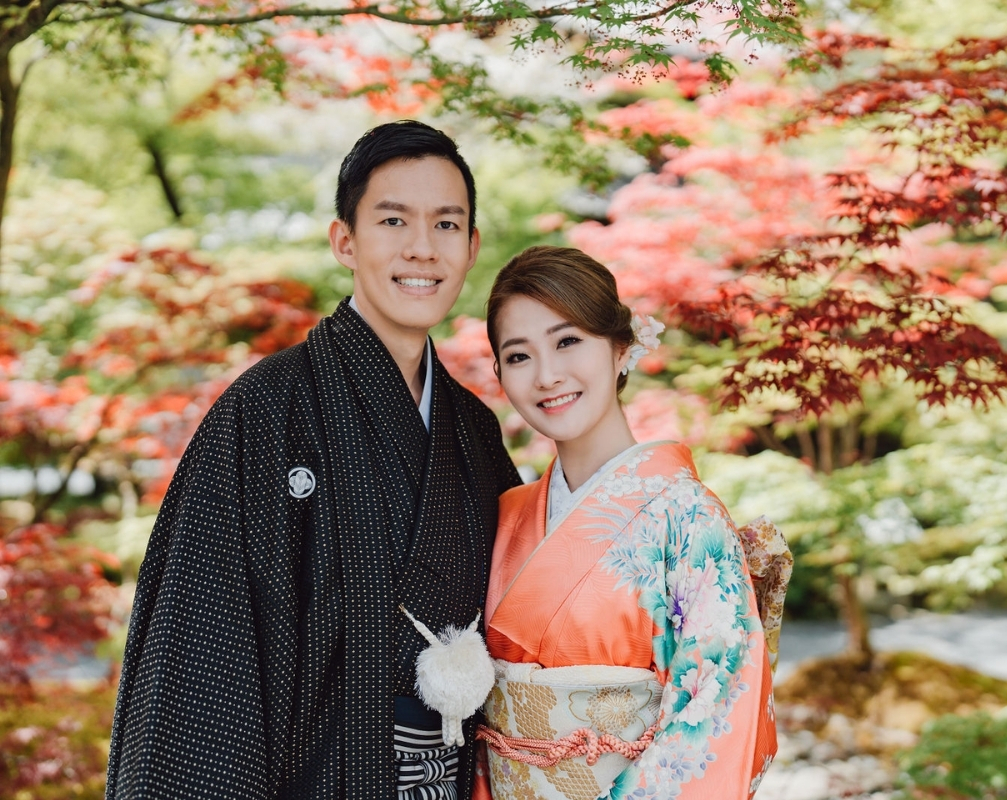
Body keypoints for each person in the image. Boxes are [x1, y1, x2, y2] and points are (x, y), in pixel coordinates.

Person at [106, 121, 522, 800]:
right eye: (394, 220)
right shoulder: (266, 411)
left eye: (447, 225)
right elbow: (203, 654)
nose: (423, 248)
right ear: (346, 242)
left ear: (472, 247)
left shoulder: (473, 431)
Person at [474, 246, 788, 800]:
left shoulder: (688, 517)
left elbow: (720, 712)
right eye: (519, 356)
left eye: (568, 341)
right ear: (500, 373)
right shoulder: (508, 513)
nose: (547, 375)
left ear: (622, 349)